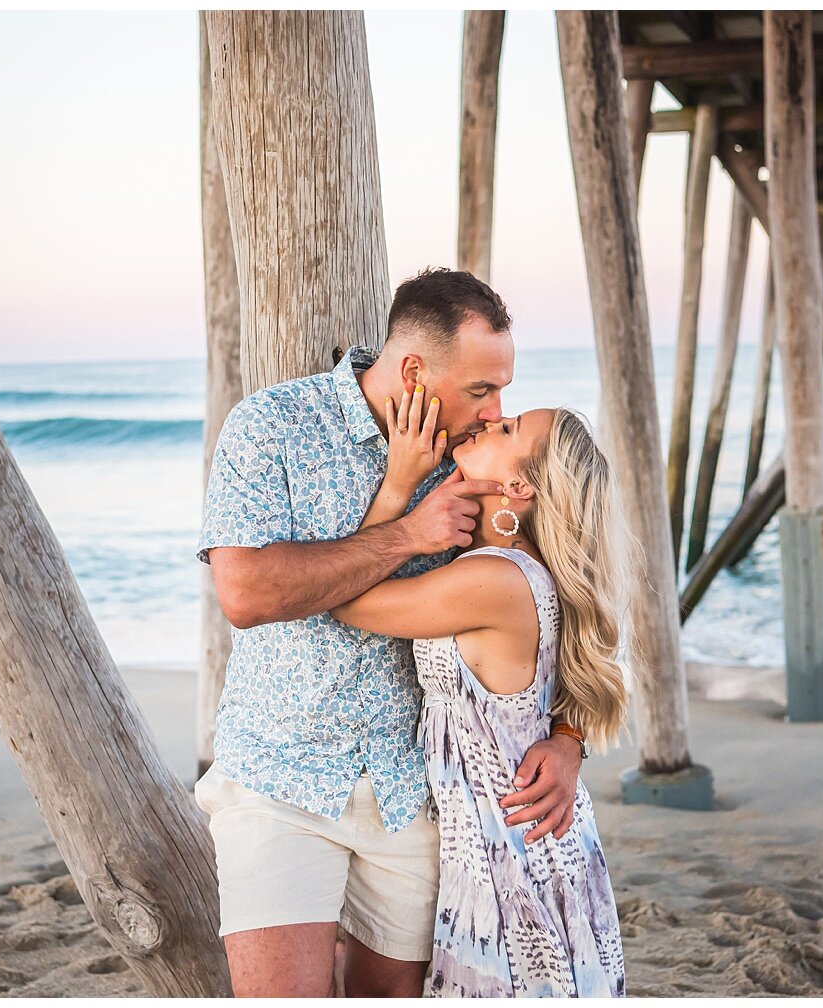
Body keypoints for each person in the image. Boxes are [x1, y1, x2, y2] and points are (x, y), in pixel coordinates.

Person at [196, 268, 588, 997]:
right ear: (413, 370)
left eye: (501, 393)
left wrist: (568, 739)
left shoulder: (477, 460)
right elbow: (246, 593)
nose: (495, 410)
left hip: (418, 794)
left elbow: (571, 591)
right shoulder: (271, 426)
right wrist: (405, 530)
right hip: (281, 774)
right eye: (481, 390)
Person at [332, 400, 628, 997]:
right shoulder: (520, 568)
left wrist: (398, 484)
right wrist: (569, 740)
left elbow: (346, 598)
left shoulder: (495, 579)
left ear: (517, 485)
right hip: (515, 835)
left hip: (506, 848)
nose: (493, 421)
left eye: (509, 428)